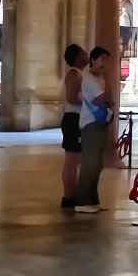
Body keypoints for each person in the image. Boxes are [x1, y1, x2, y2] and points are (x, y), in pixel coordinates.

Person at [73, 46, 113, 213]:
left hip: (99, 123)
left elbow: (108, 98)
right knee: (90, 163)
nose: (104, 64)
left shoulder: (100, 78)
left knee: (96, 164)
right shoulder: (89, 78)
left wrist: (107, 99)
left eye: (106, 60)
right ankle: (82, 202)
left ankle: (92, 200)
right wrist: (107, 99)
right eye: (101, 59)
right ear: (93, 60)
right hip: (91, 124)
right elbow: (101, 99)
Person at [60, 45, 87, 210]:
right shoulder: (74, 74)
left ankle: (72, 195)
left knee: (74, 161)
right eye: (84, 53)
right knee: (71, 161)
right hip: (73, 119)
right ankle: (68, 197)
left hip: (76, 119)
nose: (87, 55)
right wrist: (91, 102)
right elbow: (71, 98)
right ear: (77, 58)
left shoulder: (79, 74)